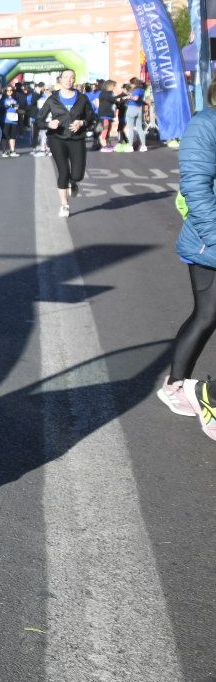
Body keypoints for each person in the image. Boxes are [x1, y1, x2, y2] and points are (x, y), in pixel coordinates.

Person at [161, 79, 216, 437]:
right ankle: (196, 390)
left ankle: (179, 386)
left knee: (209, 313)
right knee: (207, 313)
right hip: (208, 242)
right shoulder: (205, 124)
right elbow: (195, 186)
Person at [36, 69, 95, 218]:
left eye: (72, 77)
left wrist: (82, 122)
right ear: (60, 80)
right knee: (63, 171)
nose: (69, 80)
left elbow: (92, 118)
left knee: (77, 175)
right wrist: (49, 124)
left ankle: (73, 182)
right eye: (66, 77)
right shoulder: (52, 99)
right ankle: (64, 205)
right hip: (57, 139)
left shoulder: (82, 98)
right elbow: (38, 120)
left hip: (77, 139)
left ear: (74, 80)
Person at [122, 78, 149, 152]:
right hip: (139, 109)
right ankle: (143, 146)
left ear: (134, 83)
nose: (130, 85)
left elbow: (135, 98)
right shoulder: (142, 90)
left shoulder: (136, 90)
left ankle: (130, 146)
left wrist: (129, 96)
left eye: (131, 83)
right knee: (140, 128)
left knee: (130, 129)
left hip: (131, 109)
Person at [1, 82, 24, 157]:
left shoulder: (15, 99)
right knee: (5, 135)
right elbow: (2, 107)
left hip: (14, 119)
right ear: (5, 91)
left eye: (11, 90)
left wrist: (16, 107)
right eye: (8, 90)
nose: (9, 92)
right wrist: (9, 106)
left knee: (13, 136)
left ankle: (12, 150)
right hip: (6, 120)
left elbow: (17, 107)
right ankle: (4, 151)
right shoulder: (3, 99)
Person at [96, 80, 116, 152]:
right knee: (105, 129)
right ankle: (104, 146)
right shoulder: (104, 93)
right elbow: (113, 99)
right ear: (109, 86)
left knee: (108, 129)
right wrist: (123, 95)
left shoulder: (108, 93)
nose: (114, 88)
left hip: (108, 114)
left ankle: (107, 144)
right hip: (105, 115)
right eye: (113, 86)